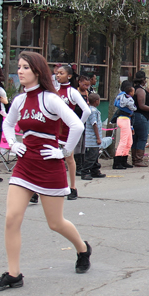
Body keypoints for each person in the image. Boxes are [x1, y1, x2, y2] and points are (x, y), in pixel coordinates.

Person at [0, 51, 91, 292]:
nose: (20, 71)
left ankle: (83, 248)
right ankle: (14, 274)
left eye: (25, 67)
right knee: (12, 218)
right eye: (19, 67)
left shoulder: (51, 99)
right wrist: (13, 144)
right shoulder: (19, 100)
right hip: (25, 164)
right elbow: (8, 123)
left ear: (37, 71)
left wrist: (64, 151)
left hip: (49, 166)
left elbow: (76, 124)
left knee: (55, 223)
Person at [55, 65, 90, 200]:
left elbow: (86, 110)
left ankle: (73, 188)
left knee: (69, 158)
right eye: (57, 73)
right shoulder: (54, 91)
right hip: (54, 129)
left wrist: (78, 125)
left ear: (69, 76)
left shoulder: (72, 92)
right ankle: (38, 190)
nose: (58, 75)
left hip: (67, 130)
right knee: (48, 158)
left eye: (61, 73)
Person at [131, 70, 149, 167]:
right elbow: (142, 105)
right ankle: (138, 159)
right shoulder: (140, 91)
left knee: (135, 138)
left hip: (134, 116)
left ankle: (134, 158)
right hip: (141, 116)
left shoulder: (134, 89)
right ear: (143, 80)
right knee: (142, 138)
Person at [80, 92, 106, 180]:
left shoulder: (91, 110)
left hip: (93, 139)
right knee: (91, 157)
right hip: (92, 139)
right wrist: (98, 138)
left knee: (95, 157)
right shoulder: (93, 111)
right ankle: (85, 172)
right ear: (96, 101)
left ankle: (95, 171)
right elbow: (94, 124)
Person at [112, 80, 136, 170]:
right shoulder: (123, 96)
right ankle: (117, 162)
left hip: (127, 120)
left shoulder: (124, 96)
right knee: (123, 141)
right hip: (123, 119)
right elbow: (120, 106)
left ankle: (124, 160)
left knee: (129, 141)